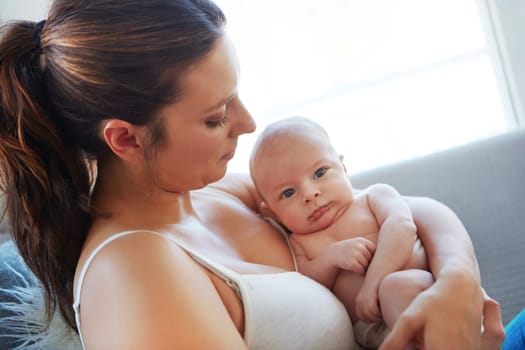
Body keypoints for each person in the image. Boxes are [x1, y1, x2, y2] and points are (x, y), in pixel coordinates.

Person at [0, 0, 504, 349]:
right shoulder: (131, 276)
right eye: (216, 116)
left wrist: (457, 278)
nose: (248, 123)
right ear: (126, 139)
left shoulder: (220, 191)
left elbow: (400, 207)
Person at [249, 117, 433, 347]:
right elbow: (308, 284)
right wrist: (331, 258)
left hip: (423, 291)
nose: (310, 193)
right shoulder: (298, 243)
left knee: (395, 287)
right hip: (369, 330)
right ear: (273, 213)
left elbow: (402, 228)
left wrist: (374, 283)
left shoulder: (373, 197)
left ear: (343, 166)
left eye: (319, 172)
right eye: (288, 193)